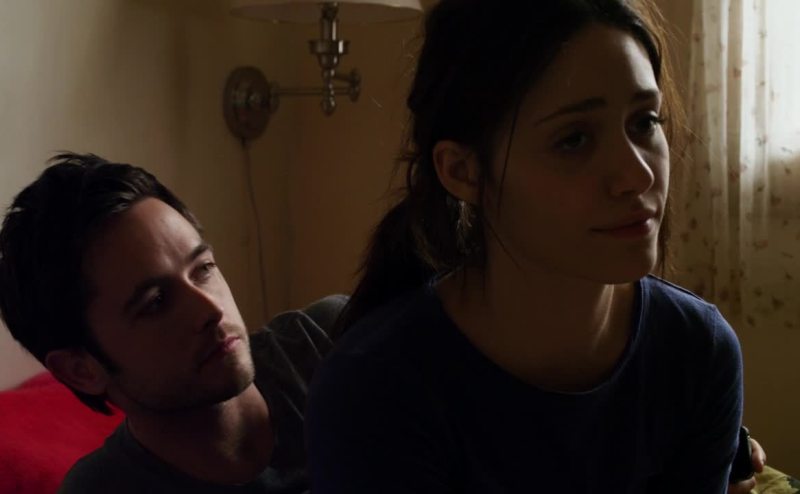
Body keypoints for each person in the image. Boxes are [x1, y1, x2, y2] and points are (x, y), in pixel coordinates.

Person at [306, 1, 751, 492]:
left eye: (644, 122)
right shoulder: (376, 390)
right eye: (574, 139)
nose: (638, 175)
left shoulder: (697, 352)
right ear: (463, 171)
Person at [0, 153, 346, 493]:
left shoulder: (335, 340)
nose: (210, 309)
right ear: (81, 370)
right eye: (156, 302)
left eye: (203, 269)